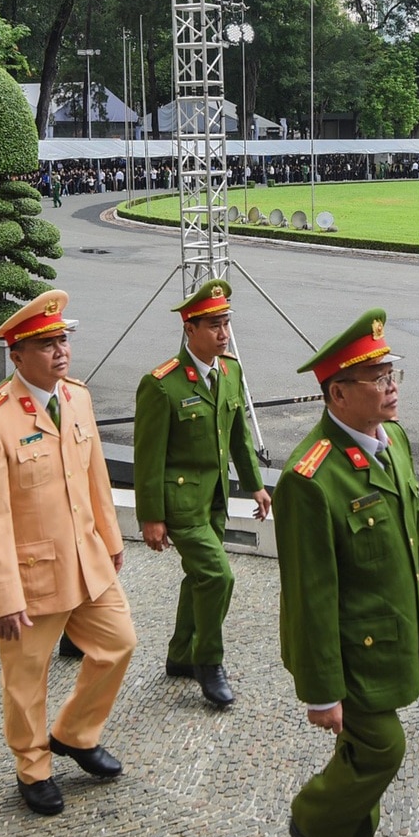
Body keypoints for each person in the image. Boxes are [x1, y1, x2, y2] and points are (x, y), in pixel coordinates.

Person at [276, 309, 419, 837]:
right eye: (376, 378)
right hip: (353, 648)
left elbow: (413, 534)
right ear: (338, 392)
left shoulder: (392, 439)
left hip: (395, 629)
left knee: (360, 749)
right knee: (381, 745)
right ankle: (315, 823)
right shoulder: (310, 478)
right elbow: (310, 595)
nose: (391, 386)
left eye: (391, 372)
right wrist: (320, 690)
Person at [0, 290, 135, 815]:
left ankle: (75, 734)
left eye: (63, 340)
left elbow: (95, 476)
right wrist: (1, 596)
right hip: (32, 572)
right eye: (46, 344)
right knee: (26, 678)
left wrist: (110, 539)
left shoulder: (77, 397)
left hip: (87, 559)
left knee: (119, 643)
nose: (60, 351)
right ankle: (33, 766)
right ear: (17, 356)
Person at [132, 279, 270, 709]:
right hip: (180, 504)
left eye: (226, 323)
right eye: (213, 325)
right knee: (217, 576)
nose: (223, 333)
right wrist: (151, 517)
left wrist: (256, 485)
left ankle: (179, 655)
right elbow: (147, 458)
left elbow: (239, 437)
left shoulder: (231, 372)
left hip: (215, 498)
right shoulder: (161, 385)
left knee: (198, 579)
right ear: (189, 329)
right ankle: (208, 662)